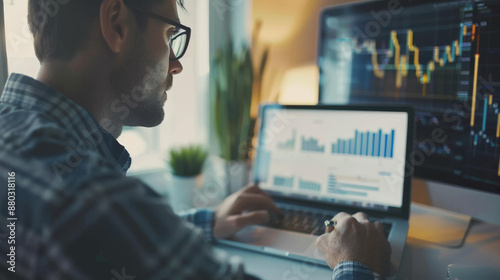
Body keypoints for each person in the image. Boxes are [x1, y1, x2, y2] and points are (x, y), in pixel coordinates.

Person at [0, 0, 391, 279]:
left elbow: (115, 241)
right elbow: (110, 219)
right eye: (171, 33)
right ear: (116, 24)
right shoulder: (94, 198)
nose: (177, 63)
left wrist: (207, 221)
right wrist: (354, 265)